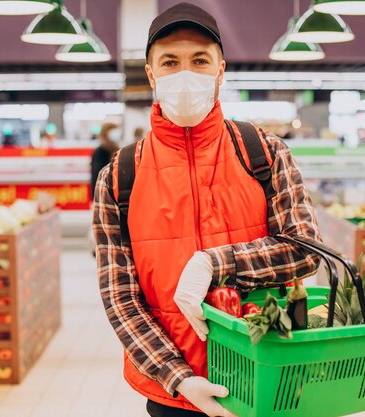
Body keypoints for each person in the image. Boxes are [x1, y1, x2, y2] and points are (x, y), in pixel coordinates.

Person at [92, 3, 321, 417]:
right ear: (151, 74)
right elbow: (119, 297)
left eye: (200, 60)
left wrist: (217, 263)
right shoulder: (119, 176)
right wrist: (179, 377)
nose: (186, 73)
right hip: (175, 393)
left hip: (269, 374)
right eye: (170, 61)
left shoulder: (264, 153)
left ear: (220, 70)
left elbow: (305, 250)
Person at [90, 122, 120, 200]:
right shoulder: (100, 152)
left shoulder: (117, 149)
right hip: (103, 194)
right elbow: (97, 175)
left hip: (116, 194)